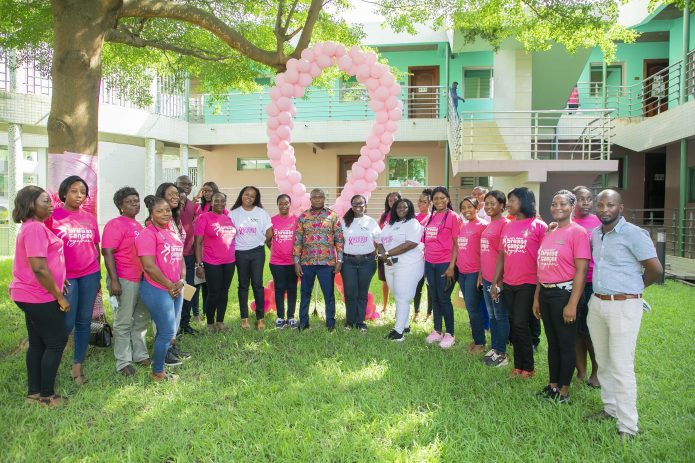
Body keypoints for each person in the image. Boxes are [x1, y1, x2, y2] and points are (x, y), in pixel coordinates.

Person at [587, 189, 662, 439]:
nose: (604, 209)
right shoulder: (596, 234)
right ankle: (610, 409)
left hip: (624, 305)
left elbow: (655, 269)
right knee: (603, 361)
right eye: (600, 205)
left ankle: (628, 426)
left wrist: (633, 289)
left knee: (621, 365)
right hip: (598, 303)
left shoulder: (634, 234)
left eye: (610, 205)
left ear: (620, 208)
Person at [9, 186, 70, 406]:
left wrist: (60, 278)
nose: (51, 205)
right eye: (45, 201)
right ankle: (47, 396)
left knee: (37, 343)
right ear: (30, 204)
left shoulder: (32, 226)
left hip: (30, 293)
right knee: (56, 343)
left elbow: (46, 264)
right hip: (38, 295)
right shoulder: (35, 228)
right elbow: (39, 268)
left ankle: (33, 394)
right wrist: (59, 296)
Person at [532, 190, 590, 404]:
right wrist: (537, 298)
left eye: (563, 204)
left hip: (564, 295)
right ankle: (553, 385)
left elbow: (582, 271)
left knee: (566, 343)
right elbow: (542, 267)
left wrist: (572, 304)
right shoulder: (550, 231)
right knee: (553, 342)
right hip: (546, 293)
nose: (557, 207)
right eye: (554, 203)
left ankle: (564, 390)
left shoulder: (578, 233)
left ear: (572, 207)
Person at [46, 175, 100, 386]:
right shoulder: (53, 216)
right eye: (74, 191)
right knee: (66, 323)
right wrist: (56, 276)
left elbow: (95, 247)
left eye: (83, 192)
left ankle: (78, 366)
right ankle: (51, 364)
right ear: (64, 193)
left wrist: (98, 275)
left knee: (84, 321)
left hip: (90, 274)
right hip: (66, 278)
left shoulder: (90, 218)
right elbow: (44, 250)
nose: (79, 196)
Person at [491, 187, 547, 378]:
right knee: (514, 324)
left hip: (529, 283)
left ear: (524, 201)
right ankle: (518, 365)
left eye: (512, 200)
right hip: (509, 283)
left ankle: (528, 367)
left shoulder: (539, 226)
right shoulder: (508, 226)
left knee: (521, 323)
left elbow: (544, 258)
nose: (509, 204)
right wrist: (495, 282)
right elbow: (501, 255)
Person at [136, 196, 186, 381]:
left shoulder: (172, 231)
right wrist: (170, 285)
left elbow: (180, 258)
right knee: (166, 331)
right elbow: (149, 266)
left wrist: (181, 280)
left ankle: (159, 366)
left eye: (167, 210)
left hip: (175, 287)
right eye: (159, 211)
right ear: (151, 214)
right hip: (156, 288)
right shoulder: (148, 234)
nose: (165, 213)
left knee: (170, 330)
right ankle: (157, 372)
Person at [102, 187, 151, 376]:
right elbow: (107, 252)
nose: (134, 204)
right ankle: (123, 362)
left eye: (136, 201)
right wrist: (114, 281)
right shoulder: (114, 224)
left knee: (140, 319)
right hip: (124, 278)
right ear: (120, 206)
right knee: (123, 321)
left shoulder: (138, 225)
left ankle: (140, 355)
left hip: (141, 278)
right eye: (129, 202)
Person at [294, 188, 344, 331]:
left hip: (326, 263)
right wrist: (296, 262)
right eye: (314, 197)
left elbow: (339, 240)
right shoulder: (303, 217)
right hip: (307, 262)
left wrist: (339, 260)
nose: (317, 199)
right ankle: (303, 323)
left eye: (320, 197)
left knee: (329, 294)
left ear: (324, 199)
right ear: (310, 199)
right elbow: (297, 241)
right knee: (305, 294)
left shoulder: (332, 216)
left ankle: (330, 323)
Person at [379, 198, 424, 341]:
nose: (401, 210)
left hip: (408, 264)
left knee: (402, 297)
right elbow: (380, 241)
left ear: (410, 209)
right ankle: (405, 326)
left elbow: (411, 243)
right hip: (390, 265)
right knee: (398, 295)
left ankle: (398, 333)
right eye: (398, 207)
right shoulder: (390, 224)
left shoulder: (413, 223)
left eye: (405, 207)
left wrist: (387, 254)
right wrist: (383, 254)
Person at [155, 182, 190, 362]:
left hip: (177, 276)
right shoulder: (155, 223)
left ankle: (172, 346)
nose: (176, 197)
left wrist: (182, 278)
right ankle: (163, 352)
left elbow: (179, 251)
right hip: (163, 279)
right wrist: (169, 282)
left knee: (175, 315)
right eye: (171, 194)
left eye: (177, 194)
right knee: (164, 318)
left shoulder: (175, 220)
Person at [229, 186, 273, 330]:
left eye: (252, 196)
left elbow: (269, 233)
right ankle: (244, 318)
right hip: (240, 253)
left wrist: (260, 241)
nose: (249, 197)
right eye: (246, 194)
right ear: (241, 195)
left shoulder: (261, 213)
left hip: (257, 253)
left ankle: (260, 318)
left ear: (256, 199)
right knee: (243, 285)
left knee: (257, 284)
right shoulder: (233, 214)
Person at [424, 186, 461, 349]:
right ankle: (437, 330)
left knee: (444, 298)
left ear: (448, 199)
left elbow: (457, 244)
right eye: (435, 198)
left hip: (445, 263)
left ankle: (450, 333)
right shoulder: (431, 216)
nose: (438, 201)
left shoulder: (453, 217)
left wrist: (452, 266)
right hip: (429, 262)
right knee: (435, 297)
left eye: (442, 198)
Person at [572, 185, 602, 388]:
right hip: (570, 282)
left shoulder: (598, 223)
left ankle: (597, 371)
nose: (586, 203)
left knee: (589, 330)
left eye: (589, 199)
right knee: (575, 329)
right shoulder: (566, 222)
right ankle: (580, 370)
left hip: (592, 281)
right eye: (581, 199)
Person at [194, 192, 237, 333]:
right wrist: (199, 264)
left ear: (225, 202)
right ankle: (210, 323)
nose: (219, 203)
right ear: (211, 202)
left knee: (224, 292)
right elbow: (198, 243)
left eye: (222, 201)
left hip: (229, 261)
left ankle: (220, 321)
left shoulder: (228, 219)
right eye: (216, 200)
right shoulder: (204, 218)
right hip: (212, 262)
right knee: (214, 293)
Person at [479, 190, 510, 367]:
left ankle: (502, 353)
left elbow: (504, 255)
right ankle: (495, 348)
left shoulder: (505, 225)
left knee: (500, 315)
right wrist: (481, 275)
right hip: (486, 278)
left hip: (497, 280)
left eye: (493, 203)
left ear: (502, 205)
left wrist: (498, 281)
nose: (489, 206)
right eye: (486, 203)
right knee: (492, 316)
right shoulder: (490, 224)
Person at [341, 195, 380, 333]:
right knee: (350, 292)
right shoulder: (344, 221)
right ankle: (349, 321)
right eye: (355, 204)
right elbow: (339, 243)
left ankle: (360, 322)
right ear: (351, 205)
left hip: (367, 262)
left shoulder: (371, 222)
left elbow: (379, 241)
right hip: (348, 262)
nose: (358, 206)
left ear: (365, 205)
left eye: (361, 203)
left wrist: (384, 256)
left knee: (362, 293)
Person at [457, 196, 488, 353]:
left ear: (477, 208)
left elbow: (486, 251)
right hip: (462, 272)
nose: (466, 210)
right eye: (463, 208)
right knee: (470, 307)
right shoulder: (463, 225)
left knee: (472, 307)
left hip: (474, 273)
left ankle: (480, 343)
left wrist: (481, 273)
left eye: (469, 207)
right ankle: (477, 339)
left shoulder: (483, 226)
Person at [268, 194, 299, 329]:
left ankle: (291, 317)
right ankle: (280, 317)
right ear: (278, 205)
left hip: (293, 262)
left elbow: (300, 240)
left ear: (290, 204)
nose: (283, 206)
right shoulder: (272, 220)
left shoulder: (296, 219)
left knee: (292, 288)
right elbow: (268, 239)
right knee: (279, 288)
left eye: (286, 203)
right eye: (281, 203)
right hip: (276, 263)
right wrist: (276, 250)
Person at [176, 175, 201, 332]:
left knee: (189, 288)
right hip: (175, 255)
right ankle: (175, 324)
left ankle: (185, 322)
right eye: (183, 184)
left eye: (190, 184)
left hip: (189, 253)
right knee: (177, 289)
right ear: (176, 184)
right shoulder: (172, 203)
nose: (187, 186)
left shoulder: (192, 204)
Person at [378, 192, 401, 314]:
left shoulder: (402, 216)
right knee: (385, 281)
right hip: (383, 253)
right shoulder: (383, 217)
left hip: (398, 253)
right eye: (390, 200)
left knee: (398, 282)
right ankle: (385, 307)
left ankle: (399, 308)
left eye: (395, 200)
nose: (392, 202)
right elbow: (378, 235)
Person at [413, 189, 433, 322]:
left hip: (430, 257)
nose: (420, 203)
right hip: (416, 257)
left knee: (430, 286)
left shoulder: (433, 218)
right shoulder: (413, 218)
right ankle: (416, 312)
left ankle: (429, 313)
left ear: (430, 204)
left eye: (424, 202)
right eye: (419, 201)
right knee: (417, 286)